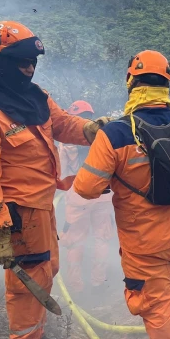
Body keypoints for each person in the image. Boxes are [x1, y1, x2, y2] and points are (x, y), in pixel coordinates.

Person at [0, 21, 106, 339]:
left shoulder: (35, 96)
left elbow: (63, 124)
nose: (30, 67)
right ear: (0, 60)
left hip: (43, 206)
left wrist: (92, 130)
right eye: (23, 61)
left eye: (33, 61)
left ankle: (34, 335)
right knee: (30, 280)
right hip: (18, 214)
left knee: (48, 270)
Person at [73, 50, 170, 339]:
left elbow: (86, 188)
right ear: (167, 83)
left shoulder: (116, 134)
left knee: (155, 298)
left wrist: (116, 177)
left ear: (131, 82)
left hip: (146, 240)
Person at [58, 100, 114, 293]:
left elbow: (61, 173)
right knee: (102, 239)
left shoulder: (66, 143)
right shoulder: (103, 138)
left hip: (78, 197)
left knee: (75, 240)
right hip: (103, 195)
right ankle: (99, 283)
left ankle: (76, 287)